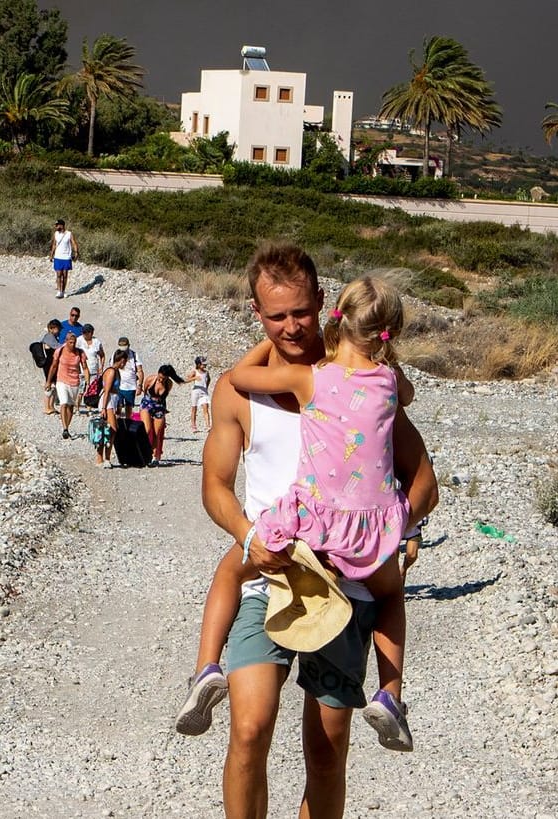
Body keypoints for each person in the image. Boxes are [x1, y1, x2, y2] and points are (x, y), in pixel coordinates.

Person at [180, 243, 437, 819]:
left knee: (326, 752)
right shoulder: (238, 392)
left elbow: (424, 482)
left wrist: (392, 533)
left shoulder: (366, 382)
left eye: (301, 311)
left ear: (323, 303)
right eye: (276, 316)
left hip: (347, 590)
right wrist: (250, 537)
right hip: (267, 575)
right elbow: (215, 486)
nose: (291, 326)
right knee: (249, 730)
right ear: (256, 313)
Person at [225, 274, 418, 753]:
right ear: (389, 332)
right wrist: (403, 523)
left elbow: (238, 378)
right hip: (371, 529)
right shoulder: (391, 383)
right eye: (278, 317)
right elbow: (407, 401)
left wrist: (264, 333)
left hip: (313, 526)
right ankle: (391, 693)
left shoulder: (310, 378)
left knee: (236, 564)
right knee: (391, 596)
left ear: (333, 316)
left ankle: (206, 666)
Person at [45, 332, 89, 440]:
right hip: (62, 380)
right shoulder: (59, 351)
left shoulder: (80, 353)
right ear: (66, 341)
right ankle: (64, 428)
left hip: (74, 382)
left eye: (74, 343)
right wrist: (49, 381)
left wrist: (88, 381)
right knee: (64, 403)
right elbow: (54, 366)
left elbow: (85, 367)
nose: (72, 345)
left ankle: (67, 428)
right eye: (70, 342)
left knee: (70, 406)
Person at [141, 364, 184, 466]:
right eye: (159, 377)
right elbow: (145, 390)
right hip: (147, 404)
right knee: (147, 429)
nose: (160, 380)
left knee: (157, 432)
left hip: (159, 407)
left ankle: (154, 456)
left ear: (167, 377)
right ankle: (142, 451)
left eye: (163, 378)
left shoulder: (169, 384)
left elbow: (164, 398)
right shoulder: (151, 379)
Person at [92, 348, 128, 467]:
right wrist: (103, 408)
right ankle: (103, 458)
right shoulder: (112, 371)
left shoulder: (116, 371)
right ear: (122, 360)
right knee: (109, 430)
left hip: (113, 400)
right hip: (107, 401)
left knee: (108, 430)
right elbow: (107, 390)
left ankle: (104, 458)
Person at [50, 218, 79, 299]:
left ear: (61, 225)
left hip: (66, 257)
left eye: (57, 225)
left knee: (65, 275)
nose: (56, 227)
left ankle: (63, 291)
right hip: (58, 257)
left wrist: (76, 252)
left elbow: (74, 243)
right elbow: (54, 245)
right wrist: (51, 255)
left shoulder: (69, 234)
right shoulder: (55, 234)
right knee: (59, 274)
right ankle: (59, 291)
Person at [114, 337, 144, 412]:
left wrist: (139, 385)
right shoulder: (115, 355)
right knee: (118, 407)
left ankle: (128, 422)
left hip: (131, 387)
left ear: (129, 345)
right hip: (118, 385)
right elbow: (112, 368)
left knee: (129, 407)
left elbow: (140, 371)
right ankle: (118, 422)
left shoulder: (134, 355)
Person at [39, 319, 61, 415]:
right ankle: (47, 407)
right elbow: (56, 347)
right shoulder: (49, 337)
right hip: (49, 364)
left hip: (53, 363)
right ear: (51, 328)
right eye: (57, 328)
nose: (59, 331)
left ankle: (51, 406)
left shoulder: (53, 337)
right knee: (49, 384)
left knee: (53, 385)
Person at [187, 356, 213, 433]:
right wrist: (194, 378)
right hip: (196, 391)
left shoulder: (206, 372)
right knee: (194, 409)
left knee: (206, 408)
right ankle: (193, 426)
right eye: (203, 364)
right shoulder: (195, 371)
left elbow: (209, 380)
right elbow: (186, 379)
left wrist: (206, 387)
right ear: (198, 364)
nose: (205, 366)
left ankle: (208, 425)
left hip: (204, 392)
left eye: (205, 364)